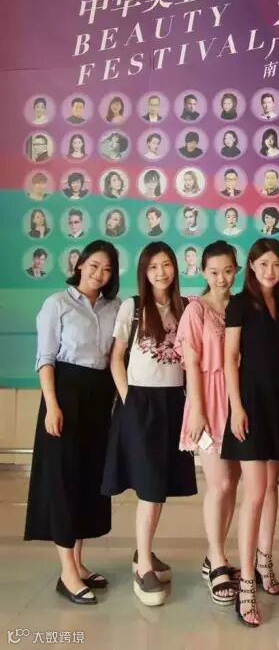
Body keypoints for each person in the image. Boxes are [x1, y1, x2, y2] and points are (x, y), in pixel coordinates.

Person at [24, 241, 120, 606]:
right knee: (64, 481)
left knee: (87, 481)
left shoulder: (114, 307)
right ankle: (66, 572)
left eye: (107, 269)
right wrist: (52, 405)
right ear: (80, 265)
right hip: (64, 396)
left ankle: (78, 564)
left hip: (99, 398)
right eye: (94, 265)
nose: (99, 274)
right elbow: (45, 358)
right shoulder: (57, 304)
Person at [102, 243, 196, 607]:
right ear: (144, 271)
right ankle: (143, 565)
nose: (161, 272)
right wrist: (130, 400)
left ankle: (144, 551)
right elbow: (116, 358)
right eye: (153, 266)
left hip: (174, 402)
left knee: (159, 483)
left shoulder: (185, 307)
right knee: (149, 486)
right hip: (141, 402)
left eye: (166, 265)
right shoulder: (134, 307)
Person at [221, 239, 279, 627]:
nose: (270, 271)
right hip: (250, 401)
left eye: (277, 265)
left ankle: (266, 561)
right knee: (253, 493)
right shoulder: (239, 304)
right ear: (251, 266)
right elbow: (230, 357)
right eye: (263, 263)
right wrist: (236, 407)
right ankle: (247, 583)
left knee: (270, 487)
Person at [175, 242, 242, 605]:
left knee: (234, 484)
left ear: (237, 270)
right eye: (214, 272)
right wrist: (198, 411)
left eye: (228, 270)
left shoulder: (241, 306)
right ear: (203, 272)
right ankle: (216, 559)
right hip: (208, 402)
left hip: (238, 402)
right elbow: (191, 364)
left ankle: (216, 554)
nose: (221, 278)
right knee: (219, 483)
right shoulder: (196, 310)